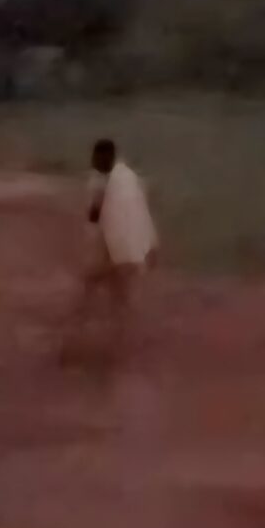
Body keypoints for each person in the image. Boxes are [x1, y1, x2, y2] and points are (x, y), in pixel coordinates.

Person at [70, 137, 156, 362]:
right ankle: (126, 347)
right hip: (125, 251)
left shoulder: (103, 182)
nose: (92, 161)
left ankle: (76, 344)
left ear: (105, 157)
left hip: (113, 251)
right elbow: (140, 211)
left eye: (96, 157)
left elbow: (94, 215)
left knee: (91, 292)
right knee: (120, 299)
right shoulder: (128, 178)